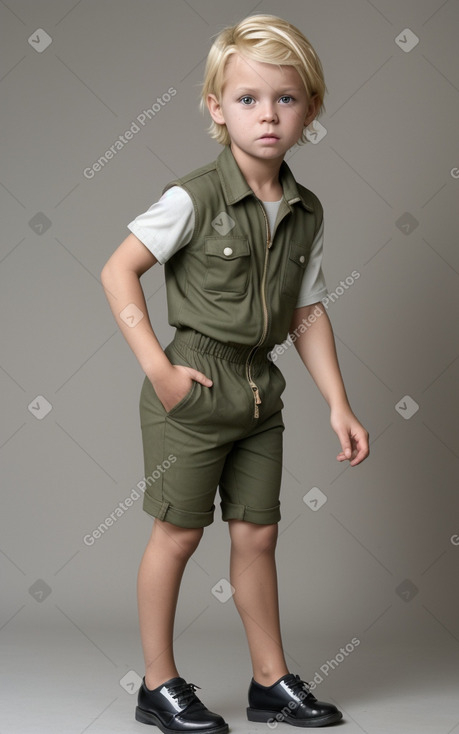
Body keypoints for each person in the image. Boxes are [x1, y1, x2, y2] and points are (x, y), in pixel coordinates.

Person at [101, 13, 369, 733]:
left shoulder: (305, 211)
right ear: (216, 108)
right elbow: (118, 271)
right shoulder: (192, 196)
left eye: (285, 98)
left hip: (259, 393)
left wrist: (338, 404)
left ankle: (268, 681)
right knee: (178, 536)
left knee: (257, 536)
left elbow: (305, 312)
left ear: (308, 108)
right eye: (247, 98)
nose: (268, 115)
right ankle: (158, 684)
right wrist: (160, 369)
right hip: (191, 388)